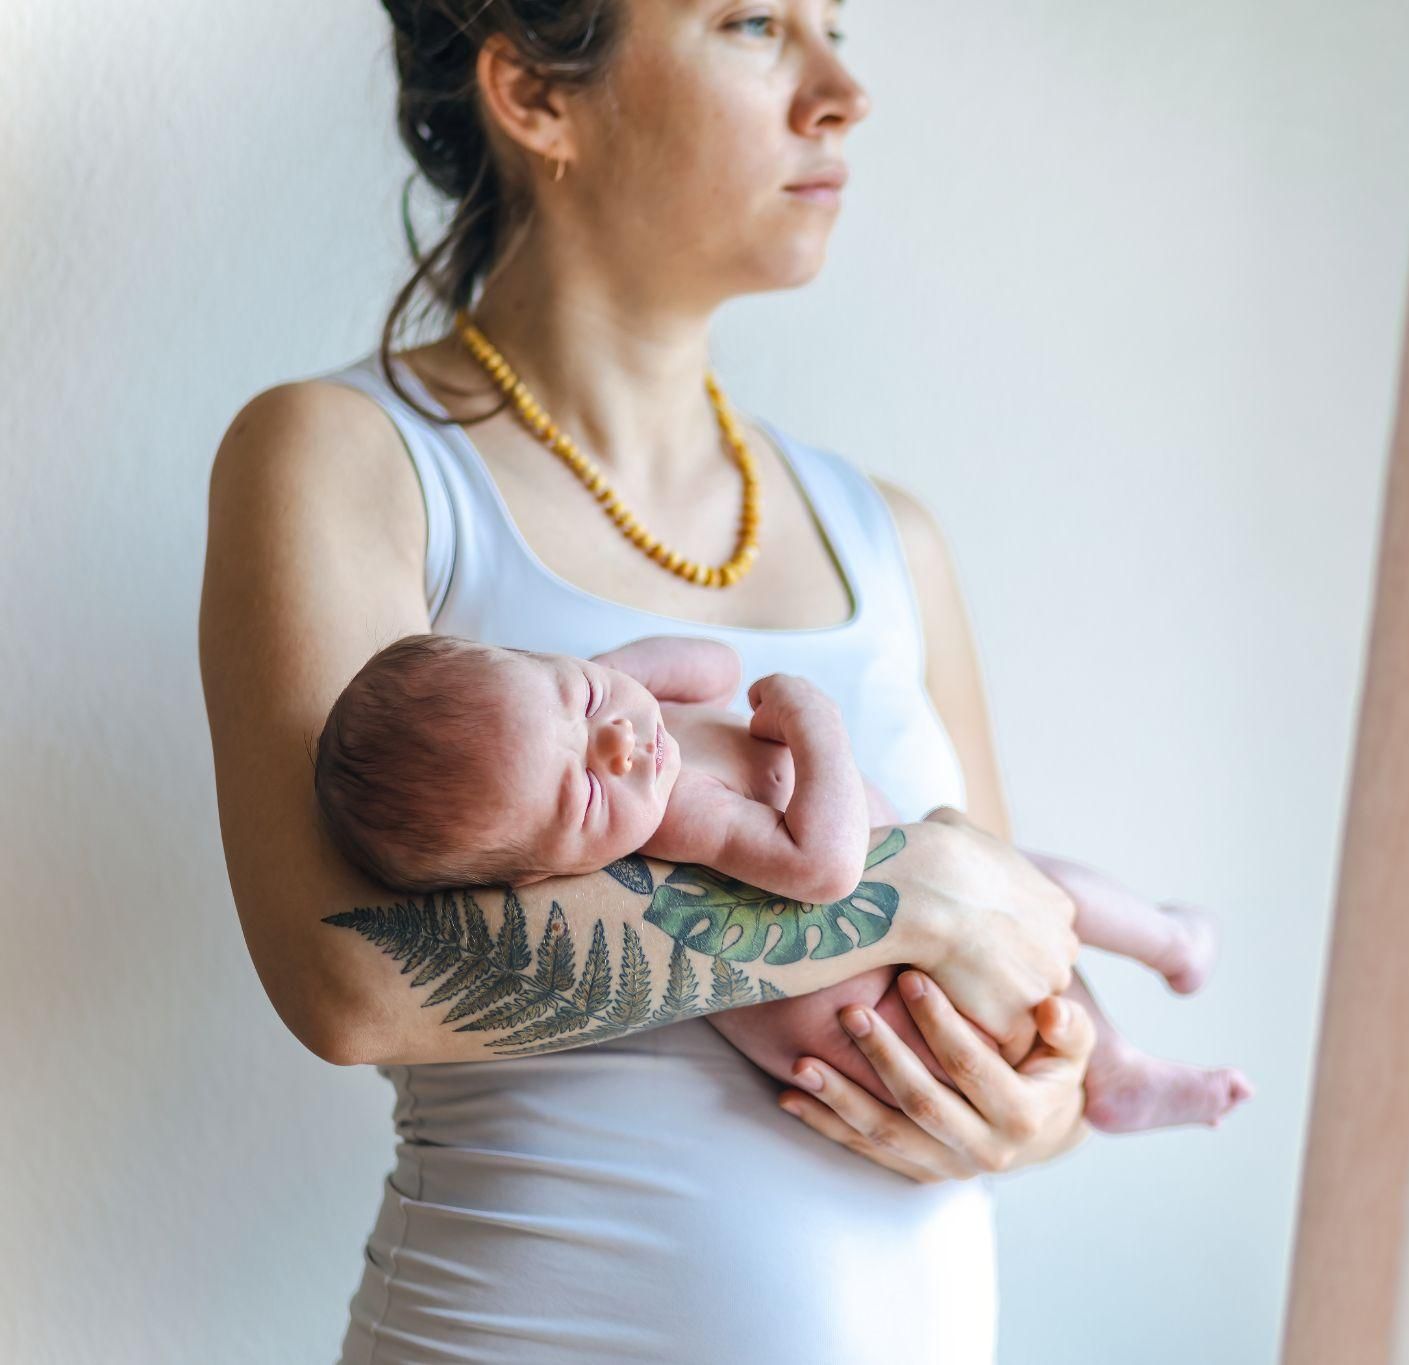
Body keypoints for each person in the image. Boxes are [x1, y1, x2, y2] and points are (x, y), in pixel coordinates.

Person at [197, 2, 1107, 1358]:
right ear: (534, 93)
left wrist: (1041, 1106)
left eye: (837, 25)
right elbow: (352, 976)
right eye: (752, 22)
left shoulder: (893, 536)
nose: (843, 89)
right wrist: (893, 896)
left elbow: (1020, 942)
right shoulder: (346, 457)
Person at [311, 631, 1253, 1132]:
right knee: (1023, 894)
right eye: (589, 787)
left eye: (583, 703)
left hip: (929, 964)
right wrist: (816, 726)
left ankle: (1127, 1044)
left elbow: (711, 667)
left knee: (1022, 891)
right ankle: (1152, 983)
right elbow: (826, 867)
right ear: (551, 872)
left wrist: (613, 676)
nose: (623, 744)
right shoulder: (680, 819)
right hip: (882, 1009)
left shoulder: (616, 720)